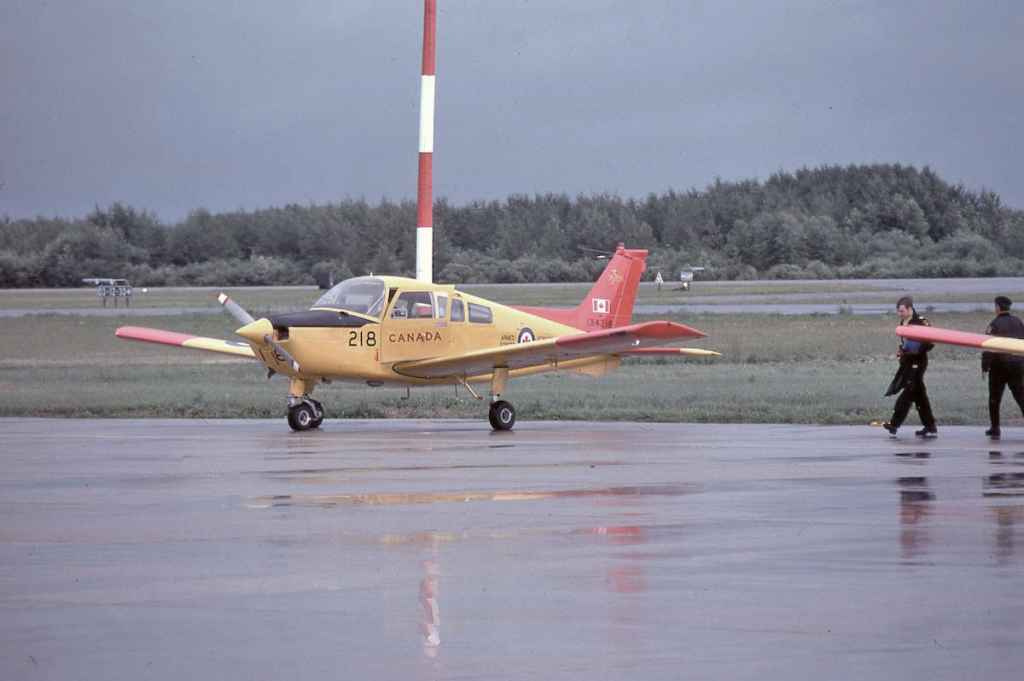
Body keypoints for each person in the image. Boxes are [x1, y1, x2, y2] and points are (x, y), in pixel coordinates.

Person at [883, 296, 938, 437]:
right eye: (898, 311)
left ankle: (894, 424)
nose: (899, 314)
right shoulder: (903, 321)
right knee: (919, 395)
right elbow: (905, 342)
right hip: (907, 362)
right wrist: (902, 351)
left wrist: (916, 350)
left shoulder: (921, 322)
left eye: (901, 311)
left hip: (918, 362)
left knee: (908, 392)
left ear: (909, 309)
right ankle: (930, 426)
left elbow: (931, 342)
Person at [982, 296, 1024, 440]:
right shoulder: (1018, 322)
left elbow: (988, 346)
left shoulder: (994, 324)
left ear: (998, 307)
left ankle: (995, 428)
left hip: (999, 367)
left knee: (994, 398)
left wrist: (985, 366)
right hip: (1017, 365)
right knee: (1020, 396)